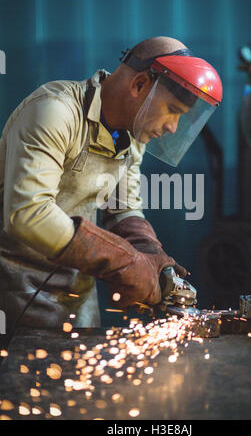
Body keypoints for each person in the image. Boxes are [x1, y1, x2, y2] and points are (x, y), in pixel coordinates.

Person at [0, 36, 222, 329]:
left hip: (76, 298)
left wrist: (151, 254)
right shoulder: (55, 111)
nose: (172, 127)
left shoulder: (133, 134)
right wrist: (126, 261)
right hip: (14, 294)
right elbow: (27, 214)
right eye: (172, 111)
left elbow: (122, 207)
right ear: (139, 85)